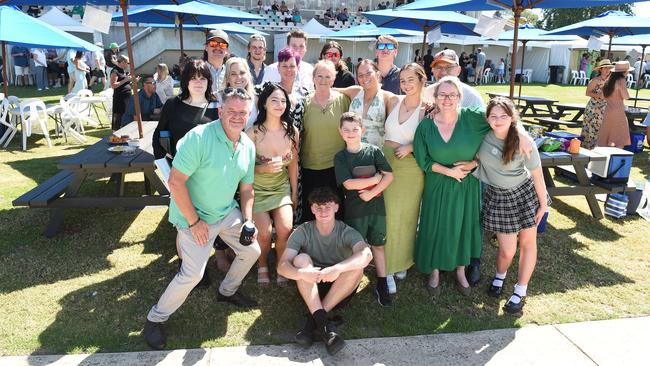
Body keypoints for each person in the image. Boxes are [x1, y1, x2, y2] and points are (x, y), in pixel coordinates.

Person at [143, 88, 261, 350]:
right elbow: (175, 182)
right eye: (231, 111)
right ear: (220, 111)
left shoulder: (248, 146)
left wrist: (249, 220)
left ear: (249, 114)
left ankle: (227, 291)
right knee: (192, 275)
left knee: (252, 250)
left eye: (243, 112)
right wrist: (195, 223)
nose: (237, 117)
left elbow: (247, 189)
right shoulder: (198, 138)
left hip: (225, 212)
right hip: (193, 216)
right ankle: (155, 319)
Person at [413, 76, 531, 299]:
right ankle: (435, 272)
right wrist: (449, 171)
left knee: (463, 225)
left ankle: (460, 271)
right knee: (436, 225)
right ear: (435, 98)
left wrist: (521, 134)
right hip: (437, 184)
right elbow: (423, 160)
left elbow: (502, 117)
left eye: (452, 95)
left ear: (460, 97)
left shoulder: (474, 119)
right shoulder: (426, 126)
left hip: (467, 184)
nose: (447, 99)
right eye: (442, 95)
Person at [277, 186, 373, 355]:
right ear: (312, 209)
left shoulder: (346, 231)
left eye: (328, 206)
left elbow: (367, 254)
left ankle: (311, 322)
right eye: (318, 207)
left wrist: (337, 268)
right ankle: (324, 326)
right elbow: (282, 266)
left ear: (336, 207)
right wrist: (301, 273)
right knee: (300, 259)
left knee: (357, 268)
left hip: (339, 289)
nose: (323, 212)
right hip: (310, 286)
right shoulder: (303, 231)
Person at [475, 97, 549, 314]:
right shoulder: (482, 136)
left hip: (525, 194)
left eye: (504, 116)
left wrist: (543, 204)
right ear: (487, 118)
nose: (498, 120)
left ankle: (520, 290)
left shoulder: (523, 142)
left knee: (527, 243)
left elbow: (537, 174)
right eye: (493, 116)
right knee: (507, 250)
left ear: (512, 117)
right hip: (498, 197)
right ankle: (500, 276)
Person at [334, 112, 394, 306]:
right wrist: (374, 179)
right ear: (340, 132)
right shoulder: (341, 157)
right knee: (356, 248)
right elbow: (348, 184)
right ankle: (351, 284)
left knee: (378, 244)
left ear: (363, 130)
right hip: (355, 211)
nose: (351, 133)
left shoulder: (373, 151)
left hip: (376, 209)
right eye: (346, 130)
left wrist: (372, 191)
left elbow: (389, 176)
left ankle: (382, 283)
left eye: (355, 129)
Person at [245, 83, 299, 285]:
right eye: (274, 100)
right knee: (265, 233)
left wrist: (294, 193)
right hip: (257, 190)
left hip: (281, 189)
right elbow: (242, 170)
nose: (279, 104)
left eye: (283, 100)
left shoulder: (292, 131)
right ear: (264, 104)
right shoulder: (253, 133)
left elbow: (293, 163)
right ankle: (262, 265)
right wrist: (261, 169)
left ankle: (281, 265)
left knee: (286, 228)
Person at [382, 63, 427, 294]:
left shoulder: (427, 109)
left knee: (408, 216)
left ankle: (404, 261)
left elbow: (432, 139)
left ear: (421, 80)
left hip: (410, 168)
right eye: (402, 80)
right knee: (389, 216)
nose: (406, 84)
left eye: (411, 79)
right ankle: (388, 267)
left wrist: (411, 146)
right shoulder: (393, 101)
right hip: (387, 163)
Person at [256, 47, 310, 224]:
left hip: (293, 153)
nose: (288, 70)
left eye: (292, 66)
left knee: (293, 200)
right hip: (268, 151)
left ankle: (288, 240)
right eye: (284, 66)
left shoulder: (304, 94)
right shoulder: (269, 90)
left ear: (298, 68)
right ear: (278, 68)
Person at [300, 61, 351, 223]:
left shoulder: (343, 100)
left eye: (328, 76)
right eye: (319, 76)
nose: (323, 80)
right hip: (310, 166)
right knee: (312, 213)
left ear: (334, 79)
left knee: (335, 212)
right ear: (313, 78)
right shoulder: (304, 103)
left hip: (336, 167)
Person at [336, 59, 399, 147]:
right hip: (353, 148)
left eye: (368, 73)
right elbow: (331, 90)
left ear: (377, 74)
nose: (364, 78)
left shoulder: (387, 97)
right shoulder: (354, 91)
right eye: (360, 75)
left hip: (376, 151)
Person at [598, 61, 632, 148]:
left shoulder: (608, 80)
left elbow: (602, 96)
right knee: (619, 139)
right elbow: (626, 96)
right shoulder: (621, 80)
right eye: (628, 71)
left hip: (607, 112)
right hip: (618, 112)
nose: (628, 72)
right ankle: (614, 159)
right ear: (624, 71)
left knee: (606, 137)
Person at [581, 59, 614, 149]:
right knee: (590, 130)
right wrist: (599, 95)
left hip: (605, 109)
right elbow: (588, 93)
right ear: (601, 69)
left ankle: (598, 150)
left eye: (609, 68)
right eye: (605, 68)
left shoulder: (610, 81)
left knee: (602, 131)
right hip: (593, 109)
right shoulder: (595, 80)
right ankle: (586, 150)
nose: (607, 70)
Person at [220, 57, 256, 128]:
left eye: (242, 73)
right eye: (233, 74)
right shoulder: (219, 98)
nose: (238, 77)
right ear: (227, 78)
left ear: (248, 75)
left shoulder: (256, 99)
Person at [110, 55, 133, 131]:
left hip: (126, 97)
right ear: (123, 62)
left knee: (126, 115)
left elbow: (124, 83)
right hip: (120, 98)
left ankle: (125, 130)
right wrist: (126, 80)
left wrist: (131, 80)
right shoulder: (115, 71)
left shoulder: (122, 70)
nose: (128, 65)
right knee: (119, 116)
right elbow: (113, 85)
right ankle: (116, 132)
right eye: (128, 63)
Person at [204, 29, 230, 95]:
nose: (218, 47)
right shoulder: (198, 71)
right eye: (213, 44)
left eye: (222, 45)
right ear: (206, 47)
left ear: (226, 50)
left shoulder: (230, 72)